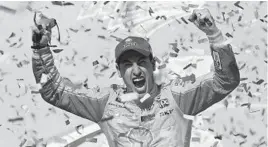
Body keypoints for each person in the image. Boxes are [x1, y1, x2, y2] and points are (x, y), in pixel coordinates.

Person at [31, 8, 240, 147]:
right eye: (127, 65)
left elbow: (225, 81)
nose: (136, 71)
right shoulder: (105, 102)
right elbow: (54, 91)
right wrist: (40, 48)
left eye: (141, 62)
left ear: (153, 63)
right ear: (119, 70)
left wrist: (214, 36)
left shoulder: (178, 96)